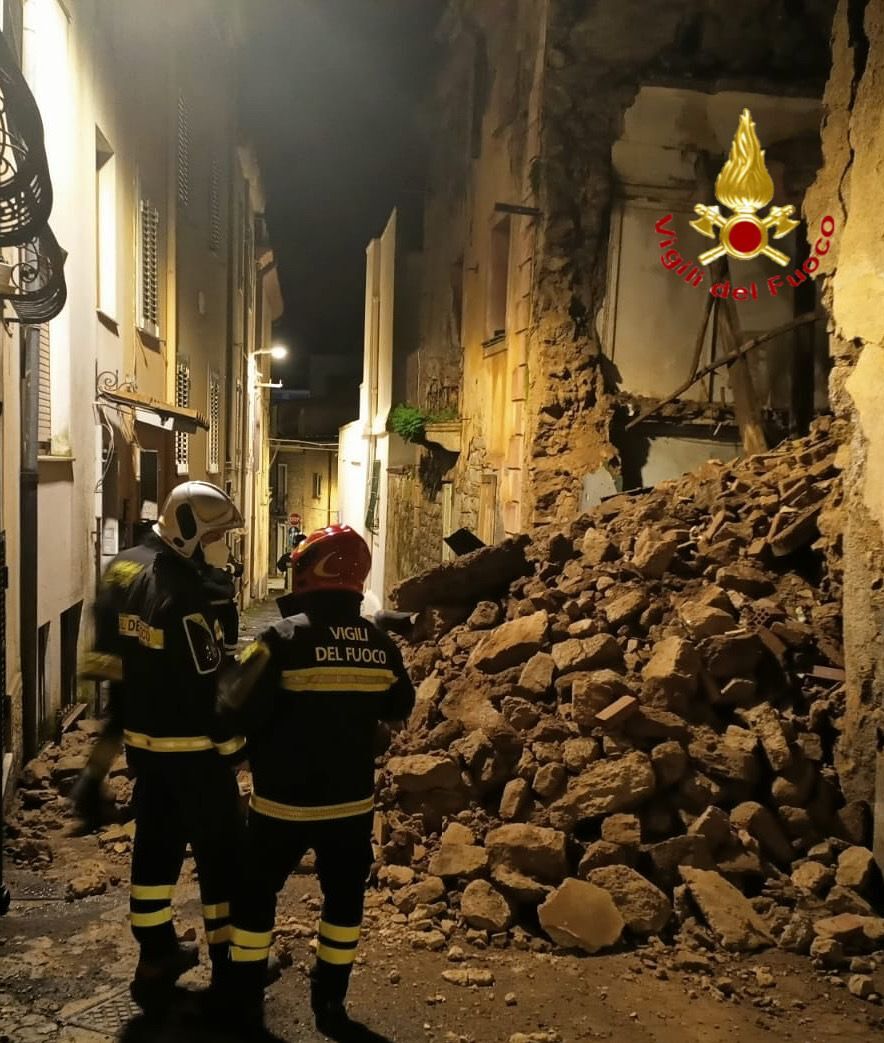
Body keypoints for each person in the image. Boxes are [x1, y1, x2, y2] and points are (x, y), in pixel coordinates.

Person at [217, 524, 415, 1040]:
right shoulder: (380, 643)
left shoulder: (278, 639)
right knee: (344, 904)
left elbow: (230, 710)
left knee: (256, 897)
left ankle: (243, 1002)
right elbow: (399, 710)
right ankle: (330, 1003)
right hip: (351, 808)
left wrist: (236, 759)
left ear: (309, 570)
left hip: (280, 807)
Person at [74, 481, 248, 1012]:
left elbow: (107, 677)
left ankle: (155, 956)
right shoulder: (192, 593)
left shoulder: (120, 570)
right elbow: (216, 683)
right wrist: (242, 747)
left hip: (144, 751)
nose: (221, 547)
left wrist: (96, 768)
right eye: (217, 535)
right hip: (198, 753)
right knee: (221, 859)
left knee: (155, 851)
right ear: (190, 531)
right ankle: (229, 968)